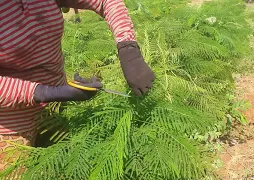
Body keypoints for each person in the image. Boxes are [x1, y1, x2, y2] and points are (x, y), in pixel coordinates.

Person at [0, 0, 155, 171]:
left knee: (65, 169)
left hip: (56, 109)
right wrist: (46, 92)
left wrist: (128, 49)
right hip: (10, 125)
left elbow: (106, 2)